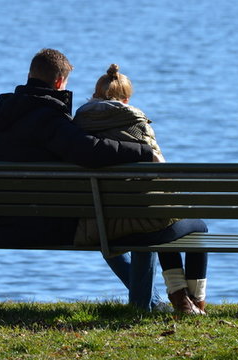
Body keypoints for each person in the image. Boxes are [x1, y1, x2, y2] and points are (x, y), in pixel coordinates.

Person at [0, 49, 167, 311]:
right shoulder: (48, 116)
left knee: (108, 224)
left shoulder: (4, 113)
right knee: (131, 225)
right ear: (59, 82)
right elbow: (89, 151)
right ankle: (147, 305)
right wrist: (144, 152)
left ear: (30, 75)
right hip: (42, 225)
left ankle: (152, 302)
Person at [72, 64, 209, 314]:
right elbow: (162, 175)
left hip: (98, 223)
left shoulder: (77, 128)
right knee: (192, 226)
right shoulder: (137, 125)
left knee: (161, 223)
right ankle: (193, 300)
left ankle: (180, 298)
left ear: (94, 95)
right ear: (126, 100)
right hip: (142, 222)